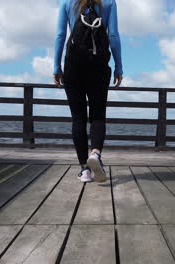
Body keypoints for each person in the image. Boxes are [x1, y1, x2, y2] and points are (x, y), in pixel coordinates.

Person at [54, 0, 123, 183]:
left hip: (73, 66)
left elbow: (60, 35)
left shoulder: (67, 3)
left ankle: (84, 170)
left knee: (78, 118)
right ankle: (96, 154)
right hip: (98, 66)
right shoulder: (109, 3)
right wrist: (119, 67)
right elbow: (114, 35)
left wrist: (56, 66)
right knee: (98, 115)